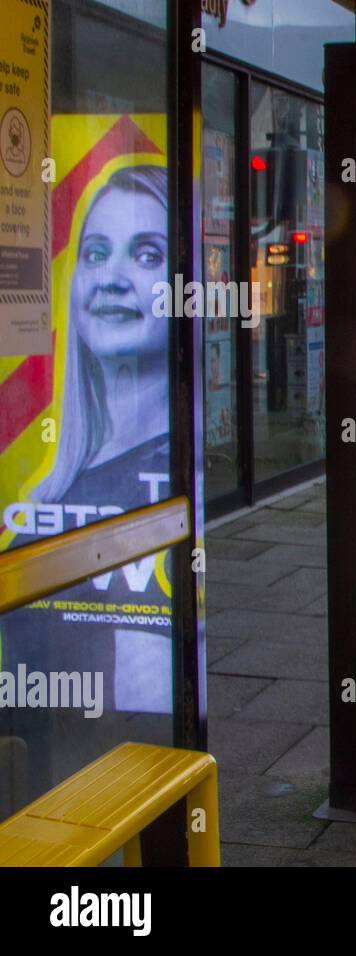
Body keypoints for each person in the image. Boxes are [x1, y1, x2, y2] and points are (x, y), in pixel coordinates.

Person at [0, 165, 173, 799]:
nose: (112, 278)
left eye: (147, 254)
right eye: (96, 252)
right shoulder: (54, 482)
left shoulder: (165, 480)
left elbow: (144, 708)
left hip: (101, 791)